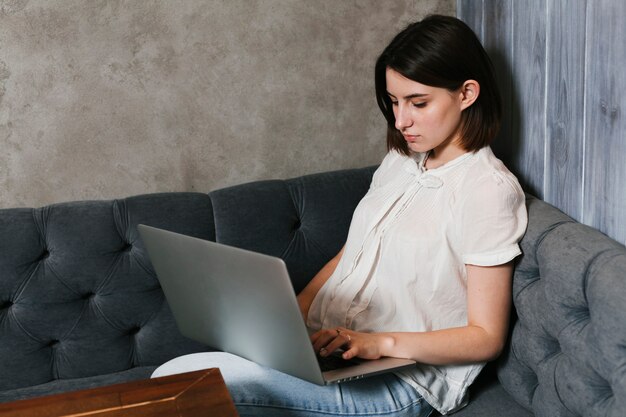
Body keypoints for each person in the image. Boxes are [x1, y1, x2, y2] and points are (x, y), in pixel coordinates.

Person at [152, 14, 527, 417]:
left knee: (181, 385)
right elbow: (351, 252)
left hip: (402, 383)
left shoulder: (487, 190)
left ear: (467, 94)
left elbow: (485, 336)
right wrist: (289, 319)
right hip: (329, 354)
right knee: (176, 375)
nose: (401, 121)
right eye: (394, 102)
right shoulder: (401, 161)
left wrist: (379, 343)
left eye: (418, 103)